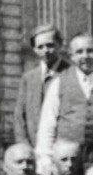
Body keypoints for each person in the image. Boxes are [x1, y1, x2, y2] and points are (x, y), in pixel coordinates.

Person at [55, 32, 93, 168]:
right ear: (71, 56)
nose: (85, 56)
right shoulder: (59, 81)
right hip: (67, 157)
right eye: (79, 52)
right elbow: (48, 123)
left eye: (90, 51)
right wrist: (45, 158)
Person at [12, 22, 63, 151]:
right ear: (34, 49)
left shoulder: (71, 75)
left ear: (60, 45)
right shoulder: (28, 78)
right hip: (33, 151)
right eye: (40, 47)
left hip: (61, 151)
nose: (45, 50)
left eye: (50, 45)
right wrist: (25, 147)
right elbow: (19, 117)